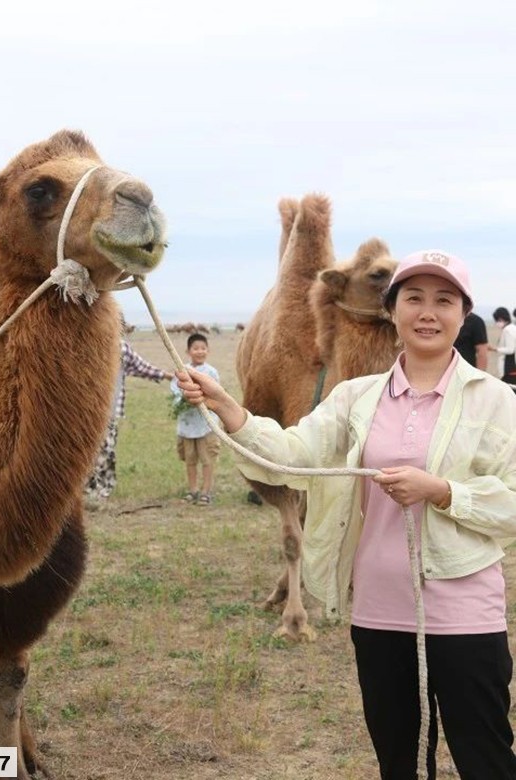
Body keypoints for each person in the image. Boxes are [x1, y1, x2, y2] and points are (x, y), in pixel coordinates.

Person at [176, 250, 516, 779]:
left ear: (463, 313)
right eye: (414, 298)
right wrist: (229, 408)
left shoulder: (497, 400)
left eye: (444, 300)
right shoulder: (356, 397)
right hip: (378, 611)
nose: (428, 312)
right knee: (395, 758)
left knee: (484, 755)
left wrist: (443, 491)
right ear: (391, 310)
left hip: (464, 615)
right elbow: (294, 453)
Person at [84, 338, 172, 507]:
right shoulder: (86, 344)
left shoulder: (121, 348)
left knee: (106, 451)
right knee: (87, 451)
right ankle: (88, 490)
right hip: (85, 412)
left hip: (109, 411)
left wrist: (166, 375)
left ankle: (100, 490)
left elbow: (141, 367)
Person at [170, 332, 221, 505]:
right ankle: (192, 490)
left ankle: (206, 491)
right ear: (188, 351)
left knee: (207, 459)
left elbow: (216, 394)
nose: (200, 351)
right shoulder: (182, 371)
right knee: (190, 460)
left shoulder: (211, 372)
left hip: (207, 425)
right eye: (196, 348)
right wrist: (184, 399)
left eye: (203, 348)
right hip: (187, 424)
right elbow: (175, 392)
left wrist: (203, 400)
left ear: (208, 350)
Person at [490, 307, 516, 389]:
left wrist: (495, 349)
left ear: (501, 319)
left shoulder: (508, 330)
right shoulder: (513, 327)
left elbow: (510, 349)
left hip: (509, 368)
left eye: (497, 320)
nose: (497, 323)